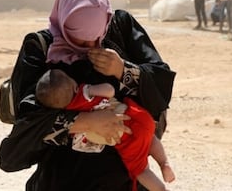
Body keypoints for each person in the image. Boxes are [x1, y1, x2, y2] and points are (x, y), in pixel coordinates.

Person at [0, 0, 176, 191]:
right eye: (80, 41)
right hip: (62, 179)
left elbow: (161, 85)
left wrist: (122, 70)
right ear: (64, 23)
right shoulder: (40, 48)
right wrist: (85, 122)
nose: (90, 46)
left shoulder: (120, 29)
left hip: (124, 178)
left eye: (96, 38)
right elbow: (28, 121)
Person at [36, 69, 175, 191]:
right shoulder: (84, 92)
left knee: (140, 170)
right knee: (150, 138)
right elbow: (109, 90)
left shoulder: (68, 115)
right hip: (136, 117)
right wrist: (90, 89)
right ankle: (164, 162)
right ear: (73, 86)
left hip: (126, 135)